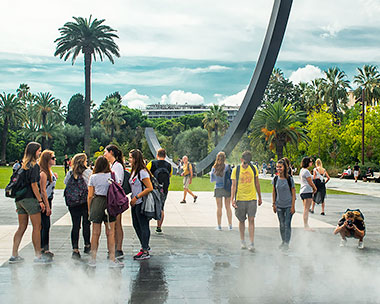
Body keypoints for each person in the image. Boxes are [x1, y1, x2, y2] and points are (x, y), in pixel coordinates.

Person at [9, 142, 50, 264]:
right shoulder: (34, 166)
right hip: (30, 199)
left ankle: (14, 254)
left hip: (19, 200)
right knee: (37, 227)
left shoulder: (23, 165)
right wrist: (40, 201)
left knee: (21, 227)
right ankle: (38, 255)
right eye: (39, 151)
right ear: (34, 152)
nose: (40, 153)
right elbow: (34, 185)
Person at [87, 156, 123, 268]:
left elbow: (90, 195)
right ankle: (112, 259)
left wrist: (89, 209)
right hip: (110, 203)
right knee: (110, 232)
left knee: (95, 233)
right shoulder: (113, 175)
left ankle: (93, 258)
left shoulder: (93, 177)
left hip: (97, 201)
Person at [230, 151, 262, 251]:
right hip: (240, 198)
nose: (246, 164)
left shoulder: (253, 168)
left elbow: (257, 183)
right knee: (241, 220)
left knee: (251, 219)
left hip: (251, 198)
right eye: (244, 162)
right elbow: (233, 185)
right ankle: (242, 240)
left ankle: (252, 243)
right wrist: (232, 199)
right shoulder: (236, 170)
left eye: (247, 162)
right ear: (241, 160)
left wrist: (260, 197)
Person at [64, 153, 92, 260]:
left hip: (73, 203)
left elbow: (66, 183)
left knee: (75, 225)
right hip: (84, 202)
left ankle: (75, 249)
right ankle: (87, 245)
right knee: (86, 223)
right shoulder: (88, 172)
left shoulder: (70, 173)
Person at [129, 149, 154, 260]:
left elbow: (149, 188)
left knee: (143, 225)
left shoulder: (142, 172)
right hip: (135, 203)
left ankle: (145, 250)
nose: (129, 160)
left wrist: (137, 197)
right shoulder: (134, 170)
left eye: (130, 157)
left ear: (135, 159)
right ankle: (144, 246)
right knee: (136, 224)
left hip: (141, 202)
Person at [104, 144, 125, 260]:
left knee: (117, 224)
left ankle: (118, 248)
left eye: (105, 152)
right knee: (115, 224)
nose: (104, 155)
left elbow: (117, 181)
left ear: (111, 152)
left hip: (115, 198)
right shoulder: (113, 165)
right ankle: (116, 247)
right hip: (112, 197)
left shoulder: (117, 166)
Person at [146, 148, 172, 235]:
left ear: (157, 155)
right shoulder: (169, 165)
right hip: (163, 189)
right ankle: (159, 227)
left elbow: (146, 172)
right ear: (165, 155)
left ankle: (147, 225)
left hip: (153, 189)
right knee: (161, 207)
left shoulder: (152, 163)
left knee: (150, 206)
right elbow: (170, 176)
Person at [272, 159, 295, 250]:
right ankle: (283, 241)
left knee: (287, 224)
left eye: (280, 167)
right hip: (279, 205)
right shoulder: (275, 179)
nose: (278, 169)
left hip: (288, 205)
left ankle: (286, 243)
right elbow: (274, 192)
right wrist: (274, 204)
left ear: (284, 167)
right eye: (277, 167)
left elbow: (293, 193)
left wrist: (293, 206)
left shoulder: (289, 179)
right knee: (281, 224)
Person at [39, 150, 57, 258]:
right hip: (45, 200)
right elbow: (43, 190)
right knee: (45, 225)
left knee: (46, 225)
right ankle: (44, 248)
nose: (55, 159)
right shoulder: (43, 173)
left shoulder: (48, 171)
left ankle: (44, 247)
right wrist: (47, 205)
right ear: (47, 159)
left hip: (49, 199)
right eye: (53, 158)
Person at [210, 151, 232, 231]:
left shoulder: (214, 168)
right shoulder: (227, 167)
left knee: (219, 207)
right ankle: (230, 225)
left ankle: (219, 226)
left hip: (218, 188)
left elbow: (212, 180)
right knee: (228, 207)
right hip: (227, 188)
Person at [299, 157, 317, 231]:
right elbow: (310, 182)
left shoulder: (302, 170)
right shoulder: (306, 171)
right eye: (311, 162)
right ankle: (306, 225)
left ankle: (306, 224)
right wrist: (314, 188)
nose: (311, 163)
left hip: (303, 190)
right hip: (307, 190)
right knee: (306, 209)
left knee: (305, 209)